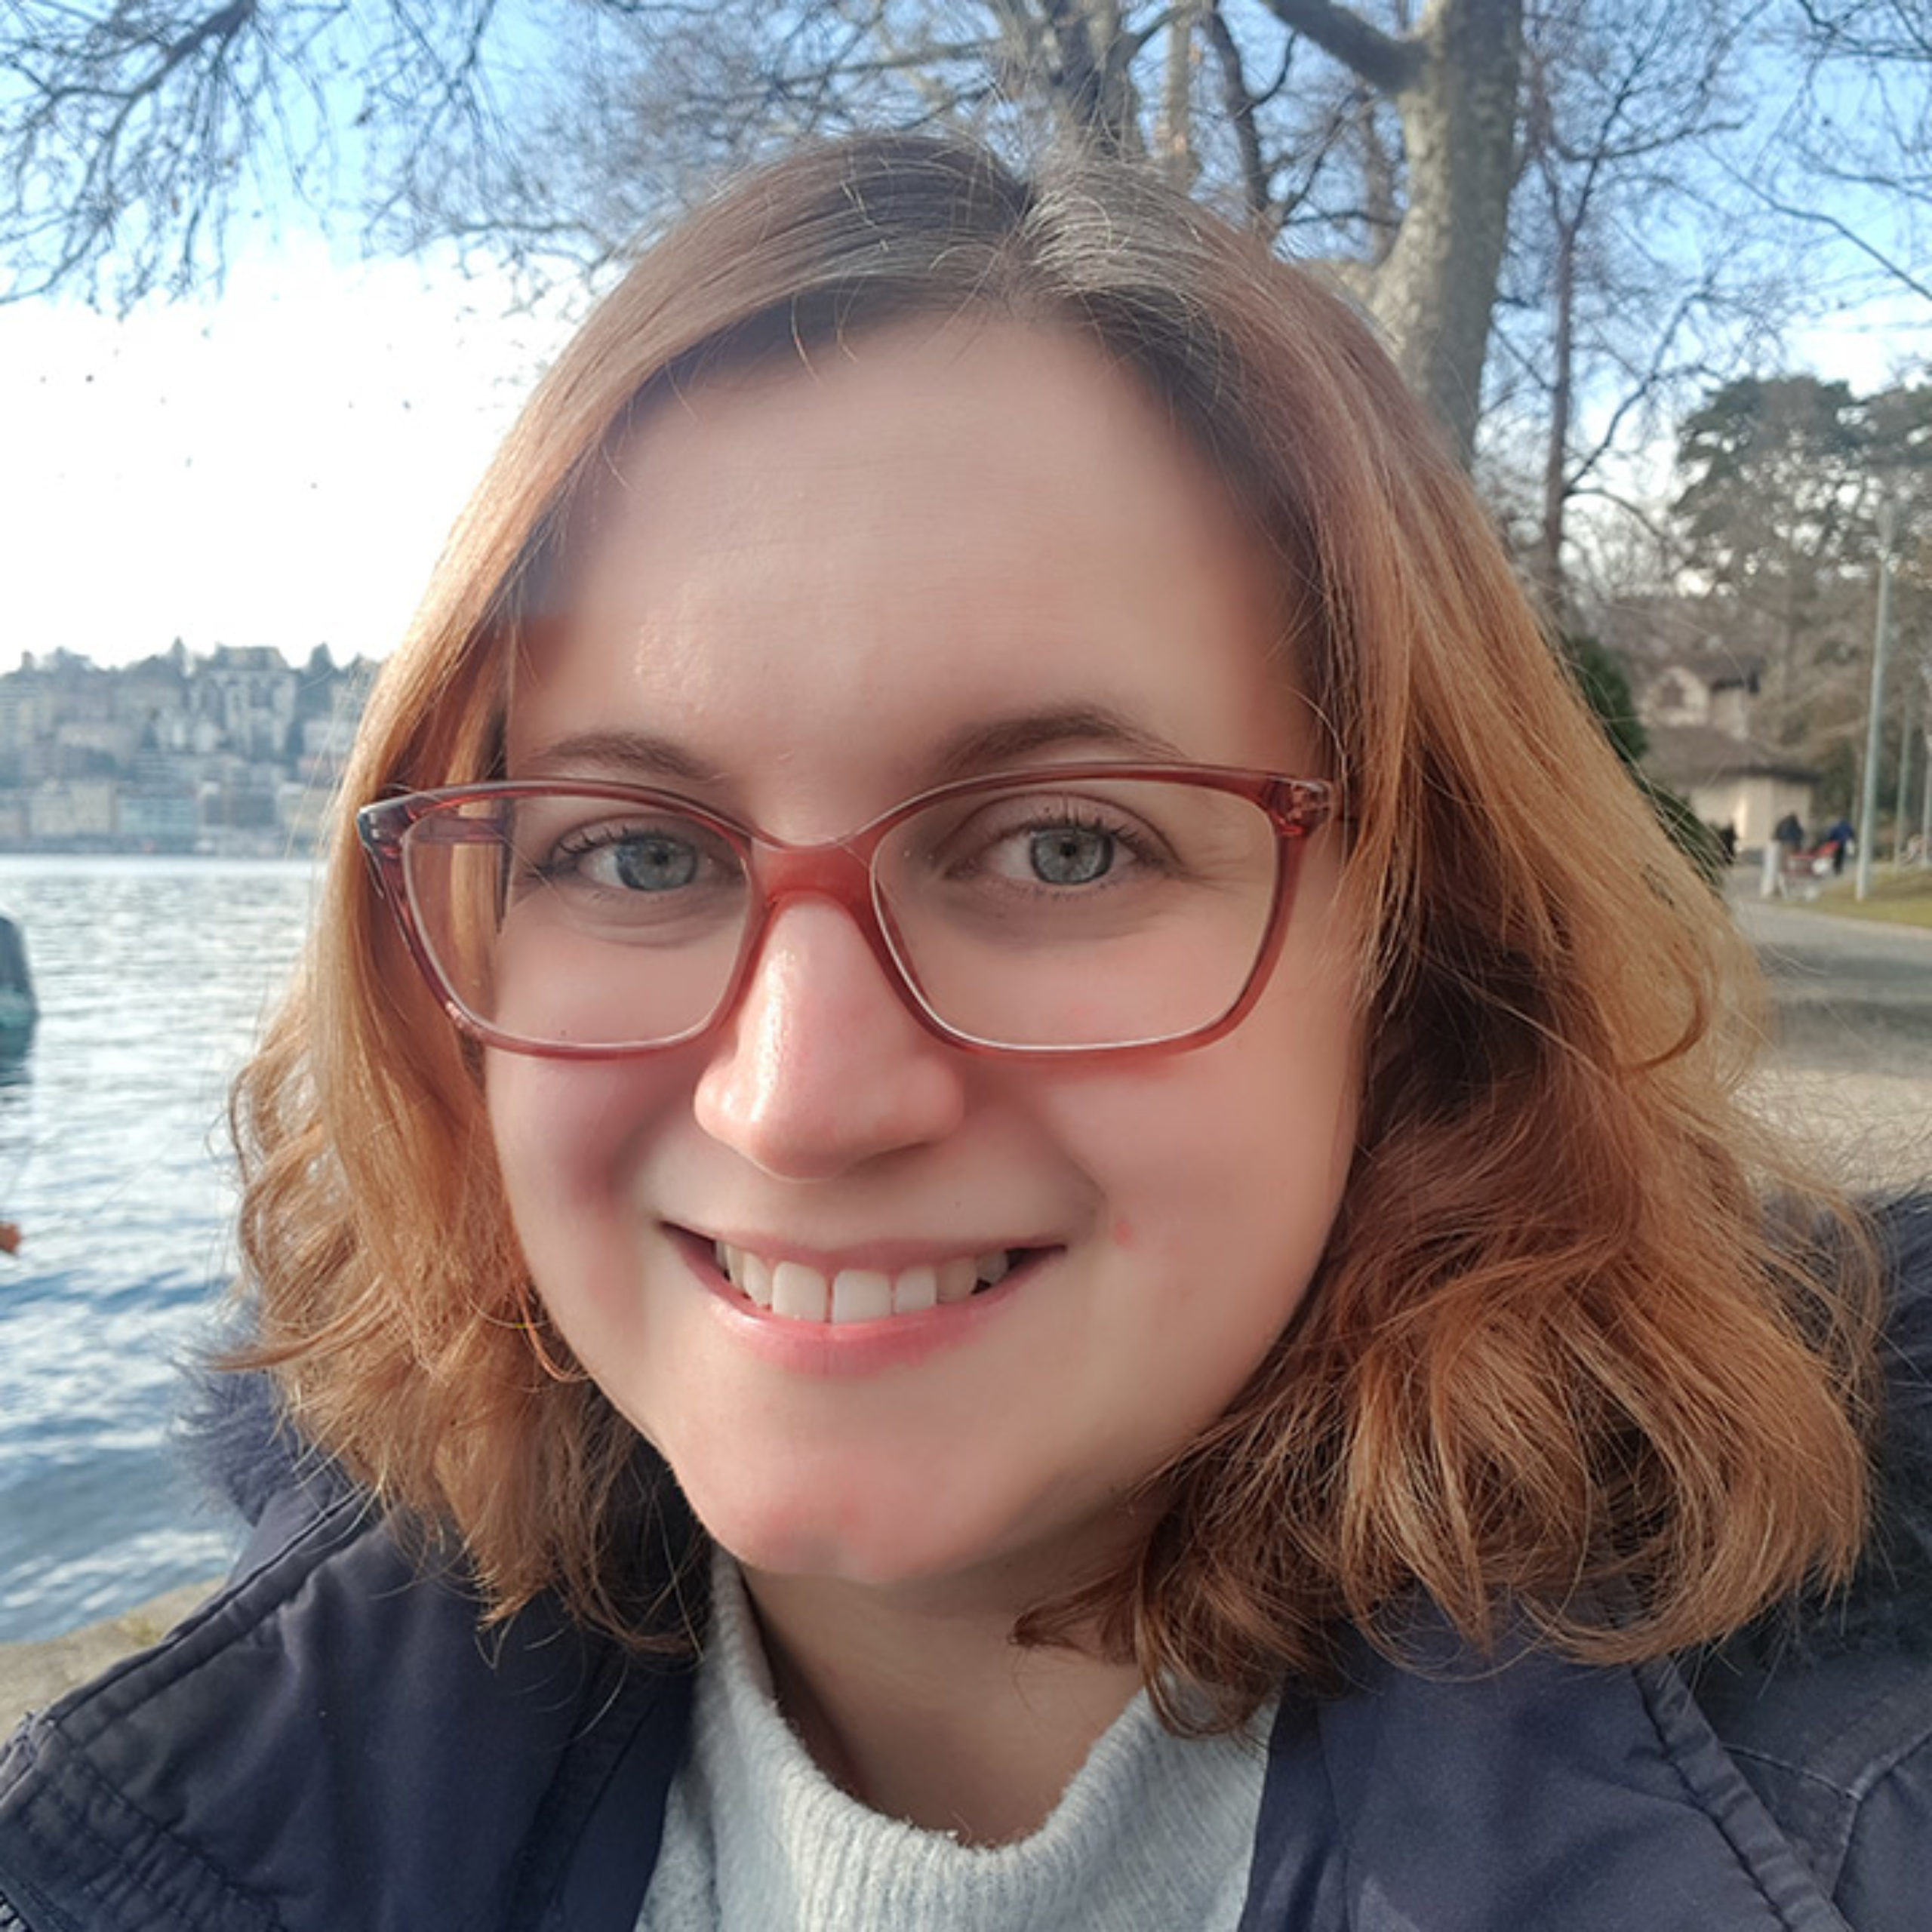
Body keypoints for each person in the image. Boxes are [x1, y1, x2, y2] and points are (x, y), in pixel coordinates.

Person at [2, 134, 1927, 1930]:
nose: (799, 1099)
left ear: (1420, 954)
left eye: (1064, 843)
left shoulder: (1840, 1833)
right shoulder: (238, 1804)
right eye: (635, 850)